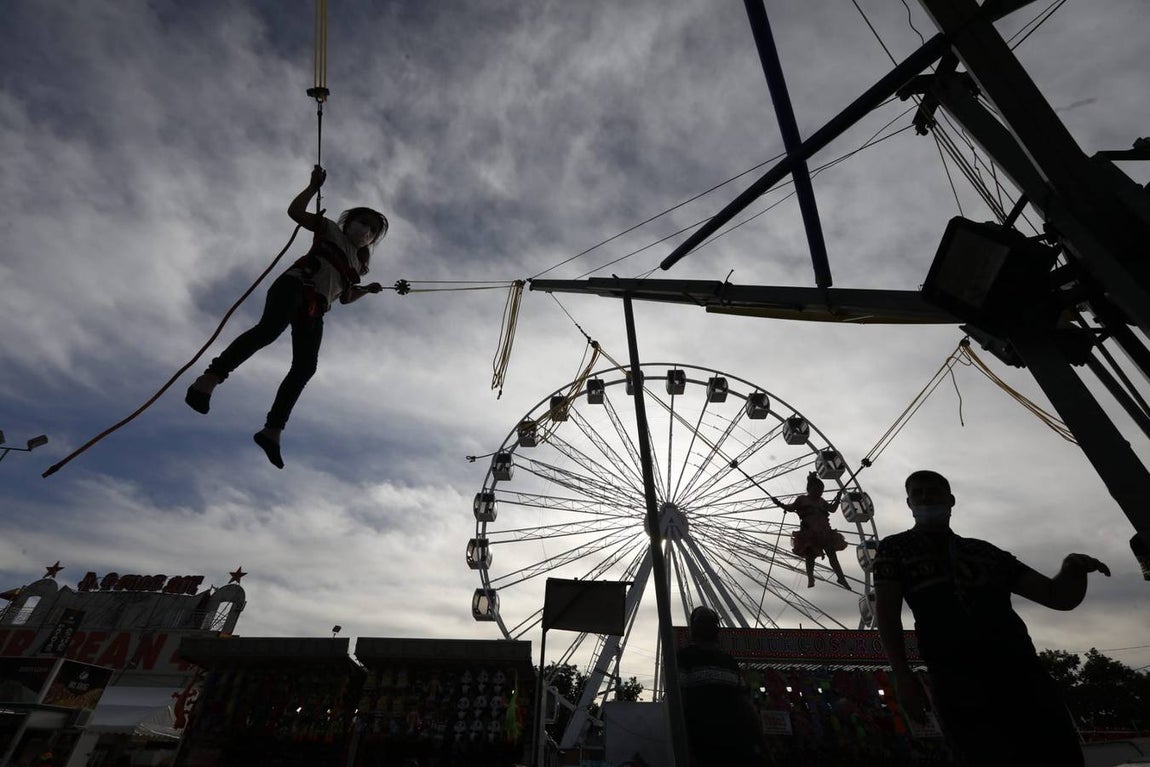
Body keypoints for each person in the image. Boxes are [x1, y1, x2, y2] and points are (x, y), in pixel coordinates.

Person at [874, 469, 1111, 767]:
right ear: (908, 503)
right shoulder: (894, 549)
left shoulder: (985, 551)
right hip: (956, 676)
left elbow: (1057, 597)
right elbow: (886, 612)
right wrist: (903, 676)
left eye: (933, 490)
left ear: (951, 499)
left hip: (1021, 672)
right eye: (918, 493)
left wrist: (1072, 568)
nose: (926, 497)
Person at [185, 166, 387, 468]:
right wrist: (311, 187)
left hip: (317, 307)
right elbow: (295, 212)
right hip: (295, 285)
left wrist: (365, 291)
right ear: (349, 223)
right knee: (269, 330)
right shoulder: (329, 228)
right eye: (362, 223)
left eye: (371, 230)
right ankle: (208, 380)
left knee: (305, 367)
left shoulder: (357, 266)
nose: (365, 231)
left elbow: (344, 297)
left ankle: (273, 430)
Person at [676, 605, 769, 766]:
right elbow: (680, 704)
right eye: (704, 622)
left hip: (733, 745)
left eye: (709, 622)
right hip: (706, 745)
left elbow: (747, 706)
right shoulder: (685, 659)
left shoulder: (728, 662)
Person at [788, 472, 850, 589]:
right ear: (810, 489)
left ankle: (841, 577)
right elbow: (791, 508)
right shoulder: (802, 499)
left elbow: (832, 509)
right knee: (810, 555)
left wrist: (838, 499)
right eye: (818, 490)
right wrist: (780, 505)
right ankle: (810, 577)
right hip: (810, 531)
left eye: (821, 490)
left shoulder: (821, 501)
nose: (820, 492)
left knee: (832, 554)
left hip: (824, 531)